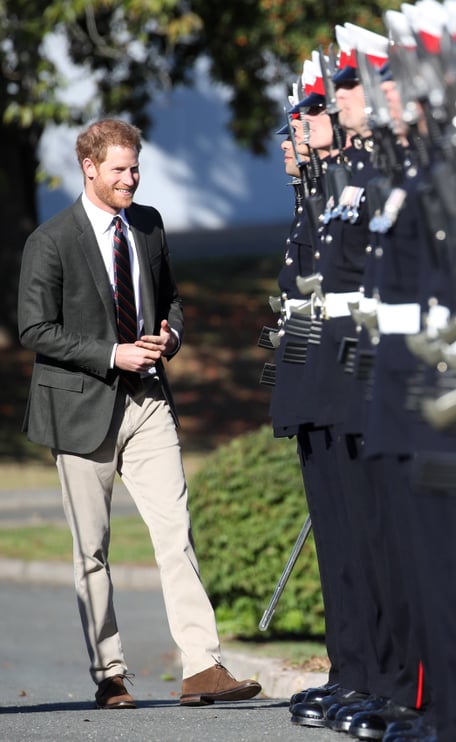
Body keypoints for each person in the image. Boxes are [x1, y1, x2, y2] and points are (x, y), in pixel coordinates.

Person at [17, 118, 261, 709]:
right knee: (91, 551)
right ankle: (111, 673)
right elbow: (34, 328)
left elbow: (170, 297)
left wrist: (170, 337)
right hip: (80, 411)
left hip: (149, 401)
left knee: (176, 535)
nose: (132, 178)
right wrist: (110, 353)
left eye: (136, 168)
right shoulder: (49, 241)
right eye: (121, 169)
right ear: (90, 169)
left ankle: (203, 666)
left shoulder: (147, 226)